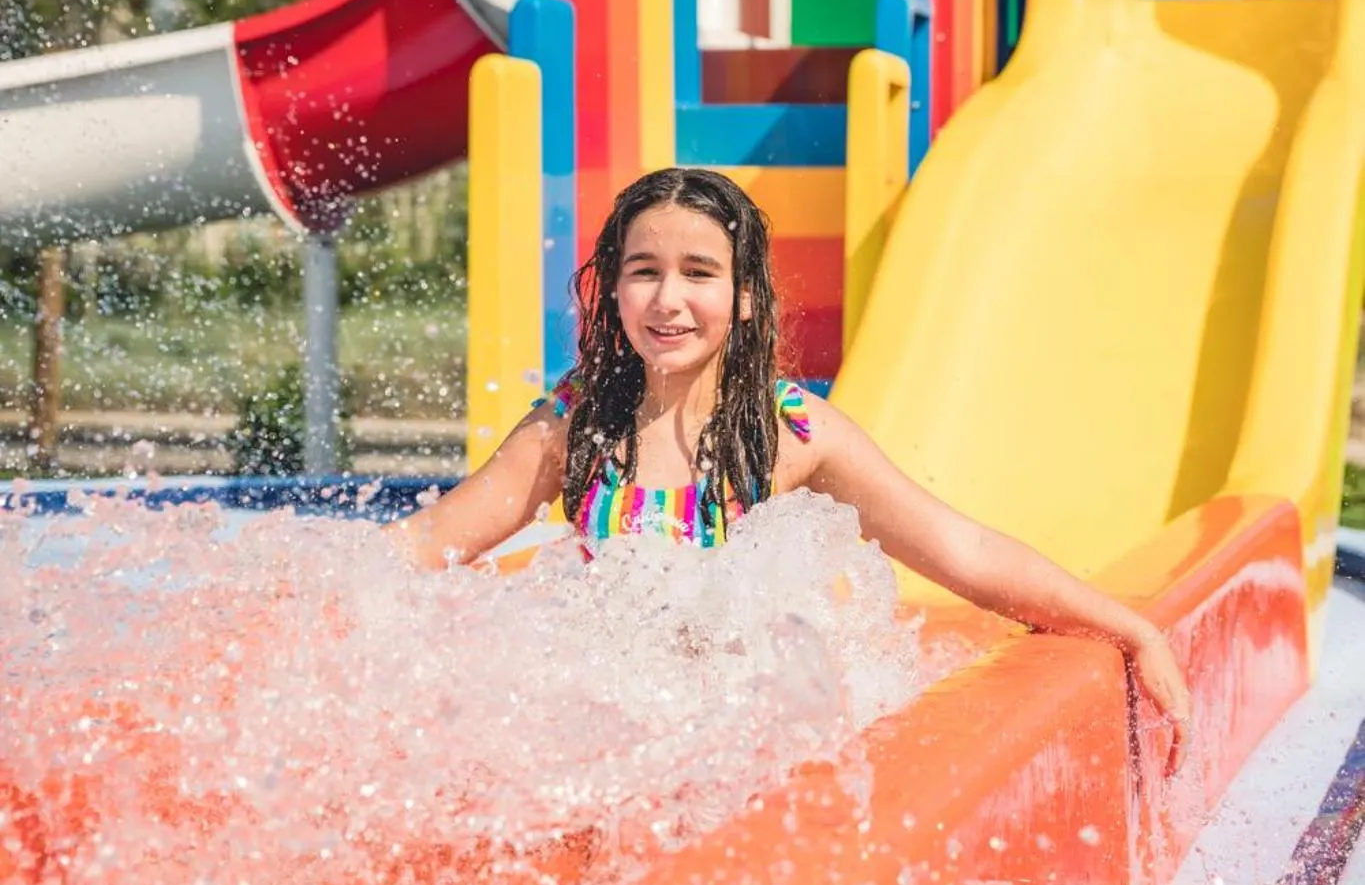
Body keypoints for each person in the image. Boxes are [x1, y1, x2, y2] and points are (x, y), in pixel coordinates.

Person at [395, 167, 1193, 776]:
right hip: (607, 736)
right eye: (643, 271)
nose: (668, 299)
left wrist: (1130, 629)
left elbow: (965, 556)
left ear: (744, 296)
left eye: (699, 273)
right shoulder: (570, 432)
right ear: (614, 289)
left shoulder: (792, 436)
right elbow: (426, 546)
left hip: (731, 742)